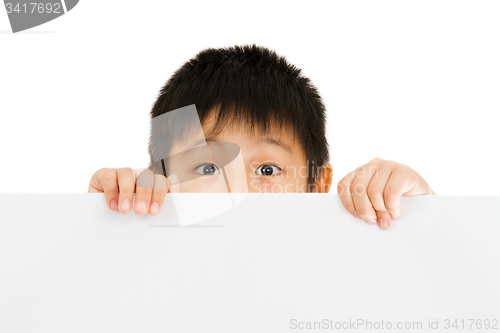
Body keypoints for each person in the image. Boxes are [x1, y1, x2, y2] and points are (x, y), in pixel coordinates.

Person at [88, 45, 434, 230]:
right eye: (208, 168)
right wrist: (98, 224)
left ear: (315, 186)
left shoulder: (339, 271)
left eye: (267, 170)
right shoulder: (140, 268)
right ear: (159, 181)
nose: (238, 190)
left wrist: (427, 216)